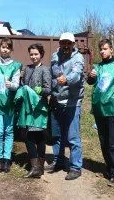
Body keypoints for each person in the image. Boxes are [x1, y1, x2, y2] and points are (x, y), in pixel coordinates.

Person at [86, 38, 114, 187]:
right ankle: (109, 170)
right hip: (99, 110)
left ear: (112, 49)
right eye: (101, 49)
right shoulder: (97, 66)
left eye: (105, 49)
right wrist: (90, 77)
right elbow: (91, 83)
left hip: (113, 110)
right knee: (103, 142)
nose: (103, 51)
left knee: (113, 143)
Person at [48, 32, 84, 180]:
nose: (66, 46)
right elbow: (53, 69)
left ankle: (75, 167)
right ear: (60, 43)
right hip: (57, 101)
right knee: (56, 134)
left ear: (73, 44)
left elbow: (76, 75)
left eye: (69, 43)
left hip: (72, 103)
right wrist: (58, 76)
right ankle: (58, 161)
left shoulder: (78, 58)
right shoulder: (55, 55)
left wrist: (66, 78)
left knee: (72, 137)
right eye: (63, 43)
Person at [16, 43, 51, 178]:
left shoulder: (45, 70)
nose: (33, 56)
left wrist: (40, 90)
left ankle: (39, 167)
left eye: (36, 54)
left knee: (39, 137)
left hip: (39, 107)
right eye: (31, 54)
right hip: (28, 107)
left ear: (41, 54)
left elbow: (48, 89)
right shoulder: (27, 68)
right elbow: (23, 85)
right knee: (28, 136)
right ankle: (36, 167)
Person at [0, 38, 21, 173]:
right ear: (0, 48)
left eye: (8, 47)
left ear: (11, 50)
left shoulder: (16, 66)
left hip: (9, 103)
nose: (5, 49)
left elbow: (16, 84)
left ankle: (7, 159)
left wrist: (11, 85)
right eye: (3, 47)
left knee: (9, 131)